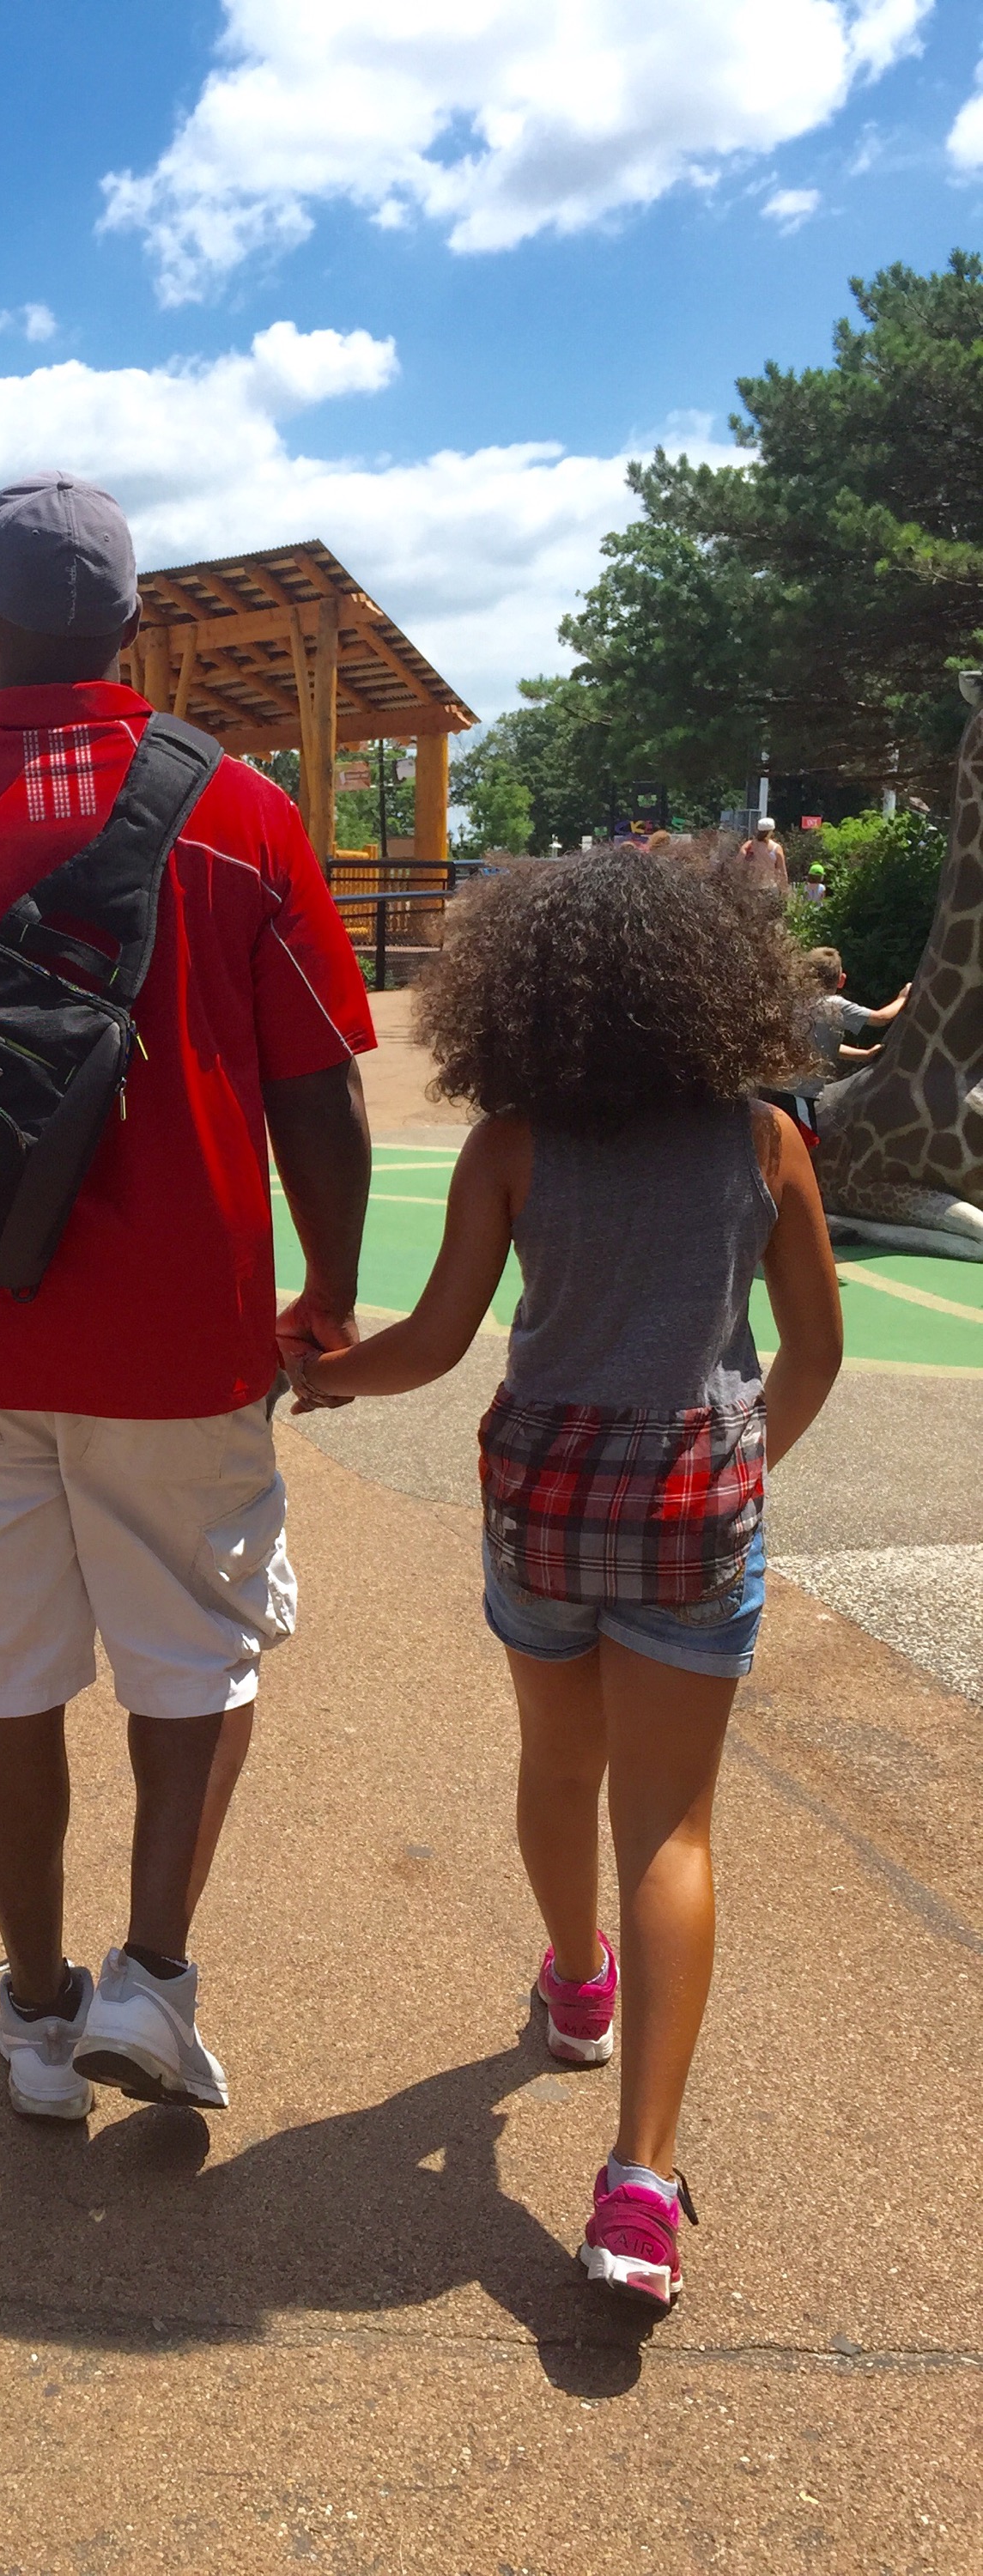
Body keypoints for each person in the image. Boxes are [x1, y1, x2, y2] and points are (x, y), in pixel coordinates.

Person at [0, 471, 375, 2123]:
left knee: (4, 1676)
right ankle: (150, 1983)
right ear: (136, 624)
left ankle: (37, 2012)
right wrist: (327, 1289)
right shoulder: (241, 809)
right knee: (196, 1656)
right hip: (185, 1339)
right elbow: (320, 1091)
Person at [290, 850, 842, 2312]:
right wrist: (740, 1469)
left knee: (556, 1764)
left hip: (543, 1501)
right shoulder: (766, 1142)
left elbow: (432, 1342)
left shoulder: (513, 1145)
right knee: (669, 1826)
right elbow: (814, 1353)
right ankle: (641, 2187)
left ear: (526, 1000)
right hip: (691, 1508)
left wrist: (323, 1376)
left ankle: (574, 1981)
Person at [804, 946, 910, 1085]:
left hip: (783, 1083)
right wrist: (903, 998)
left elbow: (825, 1046)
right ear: (841, 980)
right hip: (806, 1090)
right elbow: (881, 1018)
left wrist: (864, 1055)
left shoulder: (798, 1002)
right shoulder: (833, 1004)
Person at [731, 815, 788, 909]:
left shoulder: (749, 845)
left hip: (751, 888)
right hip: (769, 887)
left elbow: (737, 862)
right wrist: (784, 891)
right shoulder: (776, 848)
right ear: (771, 831)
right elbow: (782, 872)